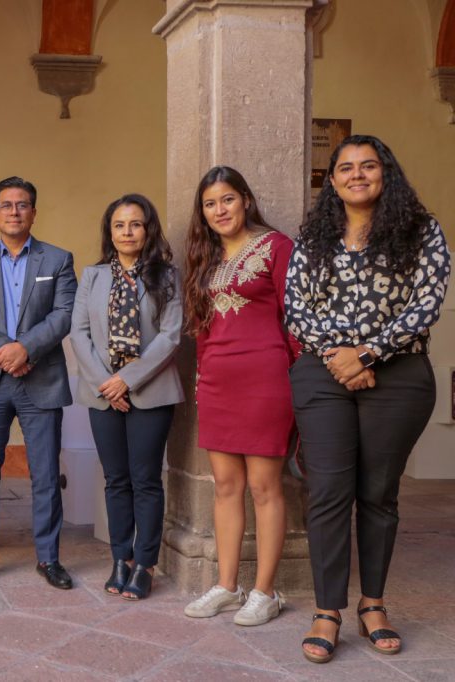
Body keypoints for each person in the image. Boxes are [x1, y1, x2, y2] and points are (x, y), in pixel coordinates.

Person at [286, 135, 450, 663]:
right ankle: (328, 610)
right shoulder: (313, 238)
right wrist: (340, 357)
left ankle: (373, 604)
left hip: (399, 377)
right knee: (328, 493)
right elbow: (296, 309)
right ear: (330, 179)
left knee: (378, 494)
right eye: (345, 167)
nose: (357, 174)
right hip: (322, 374)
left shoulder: (420, 230)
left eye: (368, 165)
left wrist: (370, 354)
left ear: (386, 172)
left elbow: (427, 303)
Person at [181, 166, 297, 626]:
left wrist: (297, 375)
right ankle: (227, 586)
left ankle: (265, 592)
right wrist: (201, 378)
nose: (219, 210)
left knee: (265, 487)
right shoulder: (204, 258)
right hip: (217, 382)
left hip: (267, 379)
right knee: (225, 486)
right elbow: (202, 333)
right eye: (210, 204)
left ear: (245, 200)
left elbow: (298, 318)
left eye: (227, 199)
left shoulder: (276, 247)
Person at [0, 176, 77, 590]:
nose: (14, 211)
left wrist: (27, 349)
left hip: (39, 378)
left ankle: (48, 558)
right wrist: (8, 351)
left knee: (44, 475)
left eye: (22, 205)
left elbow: (64, 314)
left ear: (34, 212)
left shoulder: (58, 259)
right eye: (6, 205)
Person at [69, 194, 183, 601]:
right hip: (103, 395)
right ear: (110, 231)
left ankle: (145, 563)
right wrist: (106, 382)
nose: (127, 231)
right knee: (116, 480)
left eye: (135, 224)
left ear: (148, 229)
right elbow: (78, 332)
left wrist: (127, 381)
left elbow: (171, 336)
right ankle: (121, 559)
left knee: (145, 479)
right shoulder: (93, 276)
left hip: (150, 392)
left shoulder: (166, 276)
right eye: (119, 225)